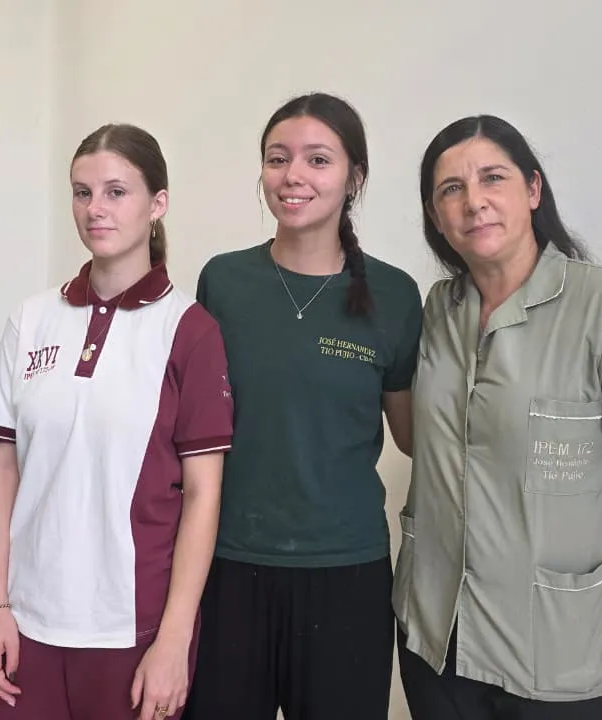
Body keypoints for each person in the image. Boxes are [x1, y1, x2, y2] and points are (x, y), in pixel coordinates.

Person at [395, 114, 602, 720]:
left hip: (572, 665)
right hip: (438, 649)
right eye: (451, 189)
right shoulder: (437, 311)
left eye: (493, 177)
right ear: (435, 216)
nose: (474, 201)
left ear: (533, 189)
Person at [0, 123, 233, 720]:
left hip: (133, 627)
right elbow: (2, 470)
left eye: (117, 192)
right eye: (82, 192)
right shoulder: (31, 319)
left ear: (157, 203)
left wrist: (174, 640)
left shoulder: (190, 331)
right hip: (25, 621)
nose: (96, 208)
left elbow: (203, 495)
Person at [182, 92, 424, 720]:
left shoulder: (395, 295)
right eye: (277, 158)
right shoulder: (223, 282)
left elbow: (412, 436)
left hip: (346, 571)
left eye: (318, 159)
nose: (293, 175)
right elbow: (194, 426)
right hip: (229, 562)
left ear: (354, 177)